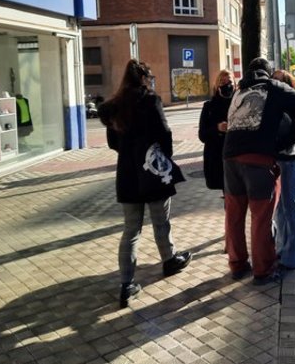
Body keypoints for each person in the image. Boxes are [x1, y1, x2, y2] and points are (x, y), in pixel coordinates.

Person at [98, 59, 192, 308]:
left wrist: (130, 152)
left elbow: (112, 143)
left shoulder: (114, 106)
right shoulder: (150, 100)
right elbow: (164, 132)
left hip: (127, 173)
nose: (151, 81)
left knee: (131, 229)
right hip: (152, 168)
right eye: (150, 77)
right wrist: (165, 156)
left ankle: (127, 284)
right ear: (143, 78)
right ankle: (169, 260)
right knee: (161, 220)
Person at [223, 58, 295, 284]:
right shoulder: (273, 87)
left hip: (229, 159)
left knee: (234, 217)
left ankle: (237, 265)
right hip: (257, 160)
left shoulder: (239, 91)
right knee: (261, 217)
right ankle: (262, 271)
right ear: (268, 72)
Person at [271, 69, 295, 270]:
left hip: (291, 161)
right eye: (273, 80)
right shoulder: (273, 104)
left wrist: (276, 146)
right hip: (278, 161)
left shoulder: (291, 104)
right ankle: (284, 249)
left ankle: (294, 256)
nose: (275, 83)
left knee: (290, 209)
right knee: (281, 210)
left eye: (279, 81)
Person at [198, 70, 235, 191]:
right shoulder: (209, 106)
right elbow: (202, 135)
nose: (227, 85)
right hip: (217, 156)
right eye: (222, 82)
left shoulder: (240, 104)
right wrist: (217, 128)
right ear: (217, 85)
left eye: (229, 81)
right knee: (227, 192)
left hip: (236, 155)